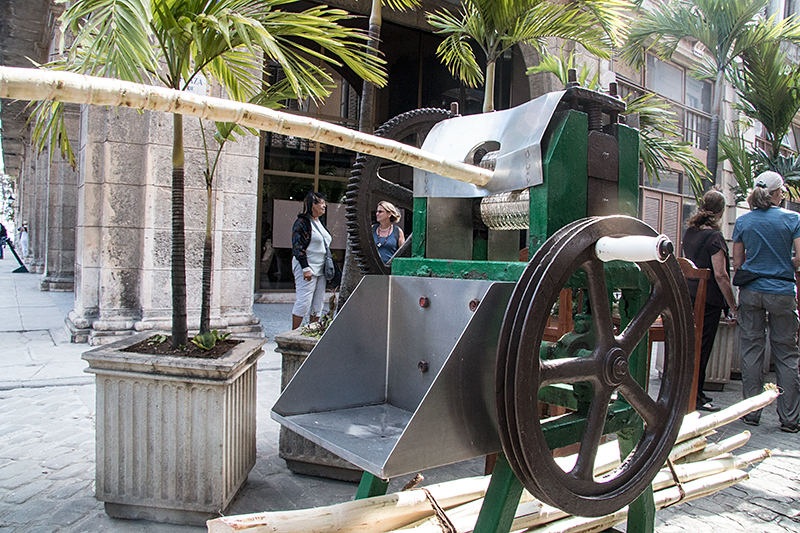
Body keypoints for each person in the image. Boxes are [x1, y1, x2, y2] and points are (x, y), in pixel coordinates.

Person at [732, 170, 800, 433]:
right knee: (786, 354)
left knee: (751, 351)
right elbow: (799, 260)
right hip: (782, 291)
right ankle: (790, 419)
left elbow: (737, 263)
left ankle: (750, 413)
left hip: (751, 291)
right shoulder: (793, 219)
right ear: (777, 193)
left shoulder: (744, 222)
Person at [682, 189, 737, 412]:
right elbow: (721, 275)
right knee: (702, 347)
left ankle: (689, 392)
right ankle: (696, 395)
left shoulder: (690, 233)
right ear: (721, 212)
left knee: (690, 346)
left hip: (689, 295)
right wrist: (732, 306)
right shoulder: (714, 237)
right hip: (708, 299)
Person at [291, 191, 332, 330]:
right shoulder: (302, 222)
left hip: (321, 268)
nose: (324, 205)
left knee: (318, 303)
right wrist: (305, 267)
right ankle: (294, 333)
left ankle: (312, 330)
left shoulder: (320, 222)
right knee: (304, 301)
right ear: (312, 205)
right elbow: (298, 246)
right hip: (307, 267)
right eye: (320, 202)